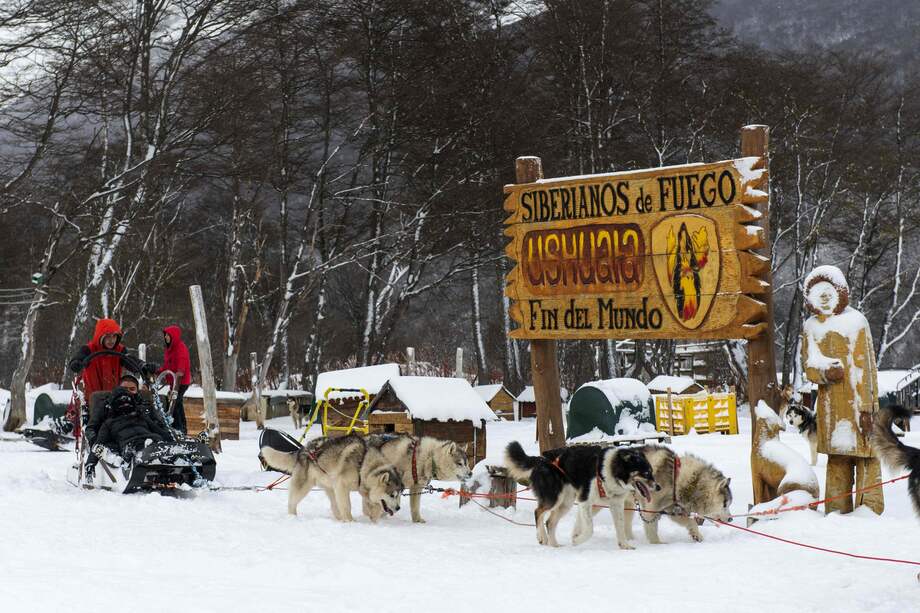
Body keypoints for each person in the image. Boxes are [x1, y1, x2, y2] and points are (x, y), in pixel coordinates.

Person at [801, 265, 884, 515]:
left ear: (841, 292)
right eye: (819, 293)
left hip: (859, 403)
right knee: (836, 461)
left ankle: (869, 509)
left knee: (868, 458)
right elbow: (809, 365)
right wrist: (825, 372)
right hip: (830, 408)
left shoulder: (856, 321)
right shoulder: (811, 327)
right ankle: (837, 509)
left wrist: (868, 408)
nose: (825, 297)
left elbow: (865, 368)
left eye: (829, 291)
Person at [84, 385, 173, 481]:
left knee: (158, 439)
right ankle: (146, 455)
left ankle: (165, 456)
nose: (125, 403)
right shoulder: (108, 423)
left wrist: (173, 442)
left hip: (152, 438)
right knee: (136, 447)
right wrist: (90, 463)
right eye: (120, 400)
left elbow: (158, 430)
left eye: (127, 399)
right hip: (130, 444)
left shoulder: (141, 415)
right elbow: (99, 444)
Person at [68, 318, 155, 402]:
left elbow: (130, 361)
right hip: (93, 400)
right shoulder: (88, 350)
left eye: (114, 336)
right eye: (108, 336)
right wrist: (76, 363)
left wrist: (143, 366)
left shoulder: (120, 351)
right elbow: (78, 358)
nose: (112, 340)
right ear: (100, 336)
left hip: (114, 399)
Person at [158, 325, 191, 433]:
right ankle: (179, 427)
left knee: (176, 403)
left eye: (168, 335)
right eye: (165, 335)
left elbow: (182, 360)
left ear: (174, 336)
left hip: (181, 382)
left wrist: (180, 371)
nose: (166, 337)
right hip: (173, 381)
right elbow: (167, 366)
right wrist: (158, 370)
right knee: (176, 403)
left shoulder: (180, 347)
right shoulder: (170, 349)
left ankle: (180, 428)